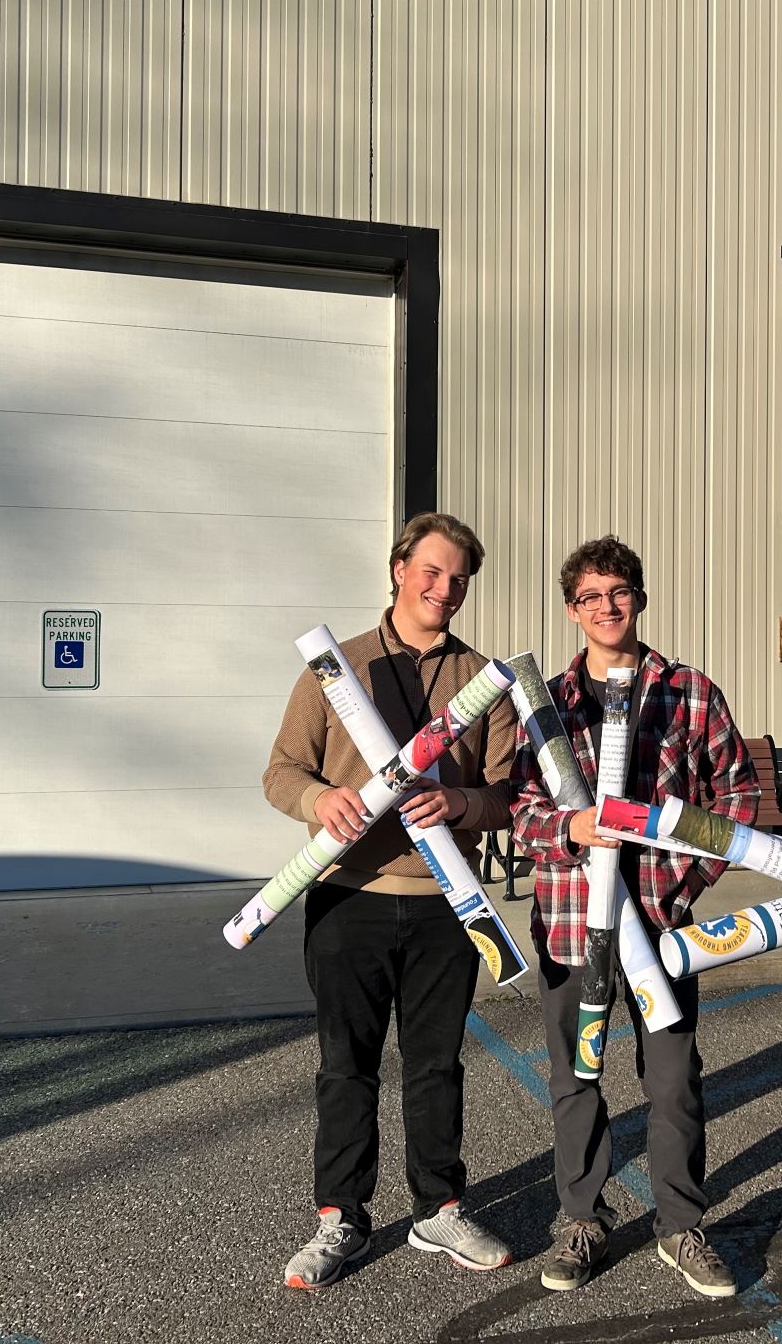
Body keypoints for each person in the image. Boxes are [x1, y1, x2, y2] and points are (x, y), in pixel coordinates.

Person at [262, 512, 518, 1288]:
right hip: (349, 900)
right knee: (348, 1067)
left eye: (460, 578)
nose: (446, 589)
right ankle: (340, 1218)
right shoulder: (336, 671)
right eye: (433, 572)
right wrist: (319, 802)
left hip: (448, 904)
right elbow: (280, 772)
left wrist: (465, 807)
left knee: (436, 1064)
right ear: (400, 569)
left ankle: (438, 1210)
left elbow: (510, 795)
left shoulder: (482, 681)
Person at [509, 535, 759, 1298]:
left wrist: (684, 882)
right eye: (591, 597)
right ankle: (582, 1219)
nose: (607, 607)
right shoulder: (547, 706)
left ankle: (681, 1225)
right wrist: (570, 831)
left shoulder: (688, 690)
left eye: (619, 592)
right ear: (571, 609)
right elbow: (521, 813)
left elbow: (737, 798)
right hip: (569, 922)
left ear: (640, 599)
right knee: (576, 1076)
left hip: (663, 926)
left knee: (674, 1078)